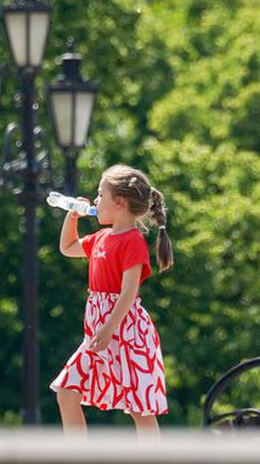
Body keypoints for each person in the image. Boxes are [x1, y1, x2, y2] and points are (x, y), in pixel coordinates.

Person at [50, 164, 173, 434]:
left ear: (120, 202)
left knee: (140, 408)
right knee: (66, 392)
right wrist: (71, 217)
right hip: (98, 333)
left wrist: (108, 328)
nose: (95, 201)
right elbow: (68, 248)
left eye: (100, 195)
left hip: (127, 333)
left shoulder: (132, 241)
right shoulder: (102, 238)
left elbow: (128, 292)